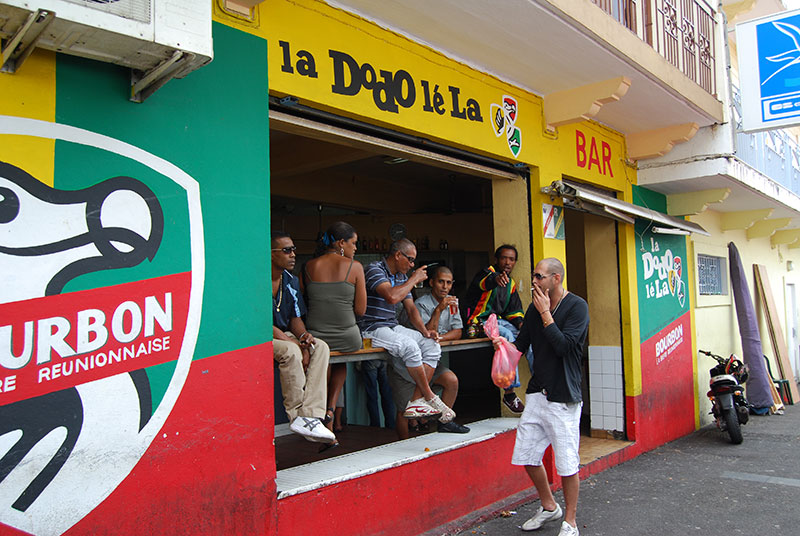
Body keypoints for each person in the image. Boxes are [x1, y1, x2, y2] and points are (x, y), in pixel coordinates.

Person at [491, 257, 589, 536]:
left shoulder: (577, 307)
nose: (533, 281)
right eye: (534, 276)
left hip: (564, 397)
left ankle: (569, 522)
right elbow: (521, 346)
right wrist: (503, 345)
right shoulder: (534, 310)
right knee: (527, 455)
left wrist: (547, 314)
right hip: (537, 393)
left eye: (539, 276)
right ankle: (549, 506)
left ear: (556, 279)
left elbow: (565, 347)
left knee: (567, 463)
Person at [360, 238, 455, 424]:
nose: (412, 265)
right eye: (410, 260)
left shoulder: (403, 276)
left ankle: (415, 401)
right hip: (371, 328)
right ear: (397, 255)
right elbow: (392, 297)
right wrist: (414, 279)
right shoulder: (375, 269)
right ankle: (429, 397)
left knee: (431, 345)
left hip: (391, 326)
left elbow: (411, 309)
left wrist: (425, 332)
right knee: (410, 346)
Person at [302, 222, 367, 441]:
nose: (355, 249)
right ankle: (331, 410)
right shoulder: (355, 266)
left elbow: (303, 303)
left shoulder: (308, 266)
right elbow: (361, 310)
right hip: (348, 336)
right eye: (353, 243)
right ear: (341, 243)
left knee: (326, 358)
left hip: (316, 335)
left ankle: (321, 412)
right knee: (340, 360)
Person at [271, 231, 336, 446]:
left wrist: (304, 337)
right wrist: (294, 344)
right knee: (290, 352)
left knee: (321, 346)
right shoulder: (256, 280)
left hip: (283, 334)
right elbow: (260, 323)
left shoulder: (290, 280)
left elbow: (295, 318)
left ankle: (310, 414)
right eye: (287, 250)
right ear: (271, 255)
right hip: (260, 336)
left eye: (294, 250)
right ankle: (297, 416)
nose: (293, 254)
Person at [396, 265, 470, 437]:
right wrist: (439, 310)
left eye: (449, 283)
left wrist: (439, 338)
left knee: (451, 380)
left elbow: (458, 332)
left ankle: (444, 423)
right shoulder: (421, 304)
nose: (445, 287)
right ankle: (401, 445)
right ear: (431, 283)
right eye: (441, 282)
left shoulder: (452, 302)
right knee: (404, 410)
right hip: (408, 365)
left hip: (430, 363)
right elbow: (426, 332)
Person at [465, 244, 526, 414]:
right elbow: (484, 283)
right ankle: (509, 392)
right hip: (480, 322)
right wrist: (496, 279)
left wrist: (522, 325)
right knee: (505, 336)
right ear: (497, 260)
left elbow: (514, 311)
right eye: (504, 258)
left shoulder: (511, 284)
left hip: (499, 322)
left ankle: (543, 384)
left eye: (511, 259)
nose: (507, 262)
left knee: (529, 336)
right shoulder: (486, 273)